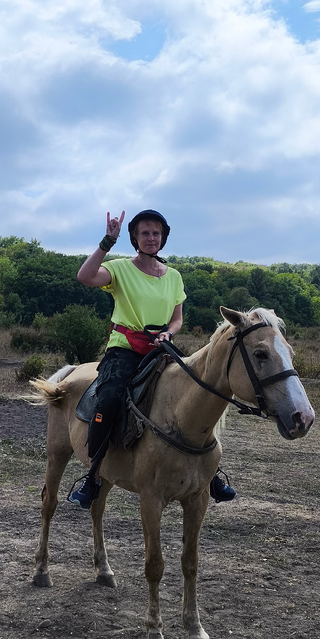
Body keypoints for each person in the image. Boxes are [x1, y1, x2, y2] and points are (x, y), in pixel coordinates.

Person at [68, 209, 235, 507]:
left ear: (163, 238)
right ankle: (93, 475)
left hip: (161, 349)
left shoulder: (173, 276)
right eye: (144, 233)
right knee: (108, 399)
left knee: (200, 394)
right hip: (124, 349)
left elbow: (177, 319)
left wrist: (168, 334)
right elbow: (85, 276)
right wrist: (107, 241)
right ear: (134, 237)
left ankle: (210, 473)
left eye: (156, 233)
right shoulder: (120, 268)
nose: (151, 238)